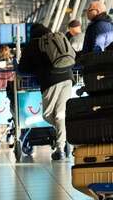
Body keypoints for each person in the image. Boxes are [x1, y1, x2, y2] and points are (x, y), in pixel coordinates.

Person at [17, 23, 74, 161]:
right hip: (68, 77)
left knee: (48, 115)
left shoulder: (33, 45)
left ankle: (63, 140)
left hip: (51, 80)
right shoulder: (56, 38)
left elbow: (23, 69)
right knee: (61, 114)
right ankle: (61, 147)